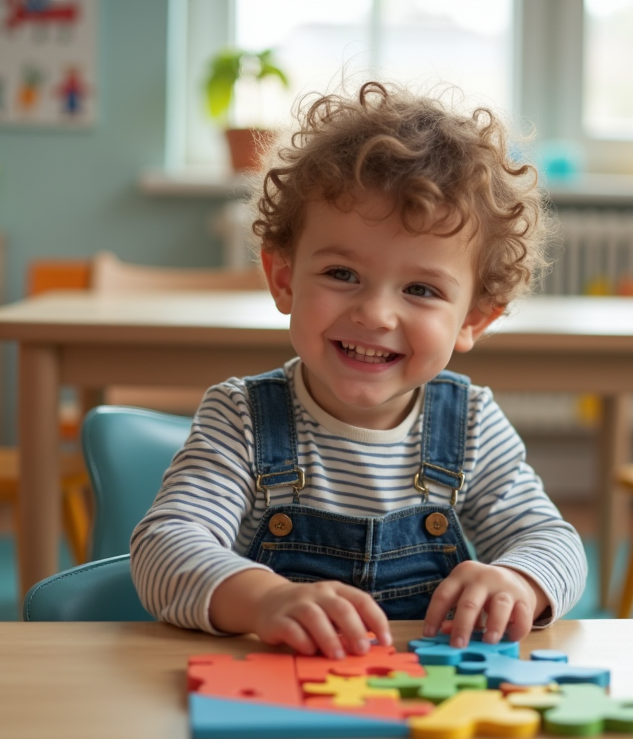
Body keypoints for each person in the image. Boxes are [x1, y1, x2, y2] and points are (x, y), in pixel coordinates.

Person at [131, 81, 586, 660]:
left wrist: (519, 580)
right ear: (283, 278)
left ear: (473, 319)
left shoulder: (469, 423)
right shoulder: (242, 417)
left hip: (424, 709)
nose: (375, 313)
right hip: (275, 702)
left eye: (420, 289)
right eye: (342, 274)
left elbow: (554, 543)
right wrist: (265, 600)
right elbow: (162, 548)